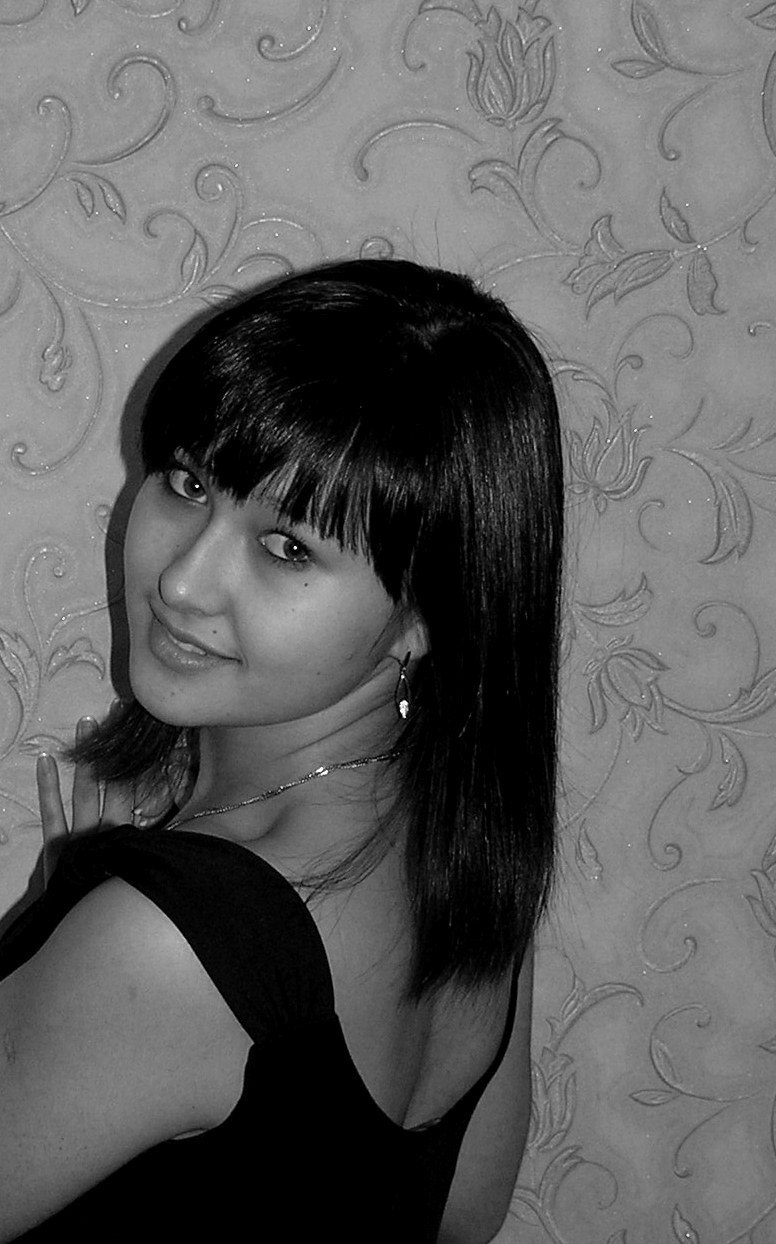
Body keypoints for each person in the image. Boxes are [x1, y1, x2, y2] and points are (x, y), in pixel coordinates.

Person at [0, 257, 563, 1242]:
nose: (181, 580)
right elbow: (457, 1220)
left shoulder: (170, 941)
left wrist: (83, 926)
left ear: (424, 618)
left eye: (289, 546)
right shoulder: (464, 880)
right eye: (188, 483)